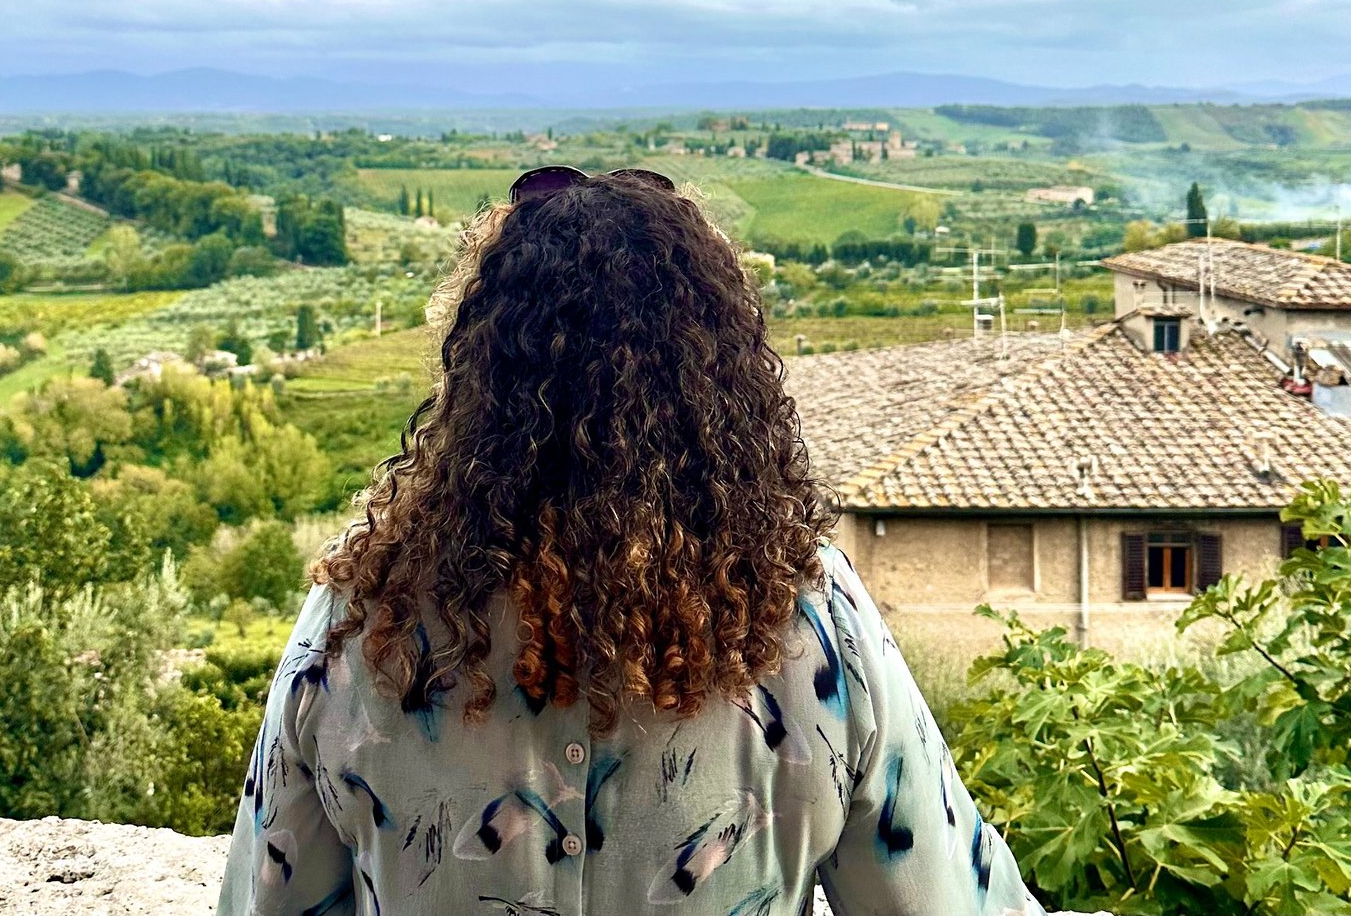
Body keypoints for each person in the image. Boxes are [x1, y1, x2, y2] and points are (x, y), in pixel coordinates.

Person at [217, 167, 1045, 916]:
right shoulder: (811, 621)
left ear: (480, 383)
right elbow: (946, 895)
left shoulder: (361, 618)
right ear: (720, 385)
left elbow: (266, 895)